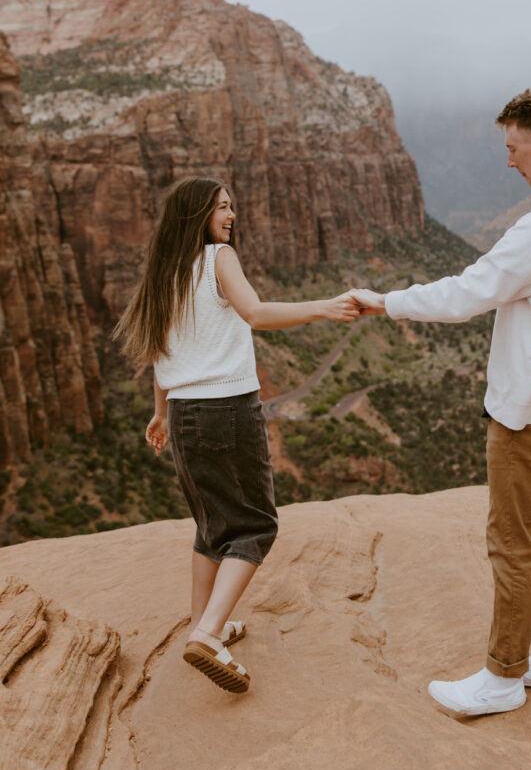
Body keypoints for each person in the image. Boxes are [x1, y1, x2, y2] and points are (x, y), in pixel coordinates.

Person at [354, 87, 531, 718]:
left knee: (511, 541)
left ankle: (502, 678)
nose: (509, 162)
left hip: (525, 410)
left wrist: (384, 301)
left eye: (513, 148)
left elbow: (466, 295)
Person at [114, 176, 360, 694]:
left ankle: (205, 622)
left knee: (211, 525)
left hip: (183, 415)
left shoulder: (165, 273)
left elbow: (163, 357)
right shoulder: (218, 258)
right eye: (223, 207)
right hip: (227, 408)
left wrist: (160, 415)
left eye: (233, 207)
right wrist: (325, 307)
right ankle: (206, 634)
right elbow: (256, 312)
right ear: (198, 214)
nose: (232, 215)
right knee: (255, 525)